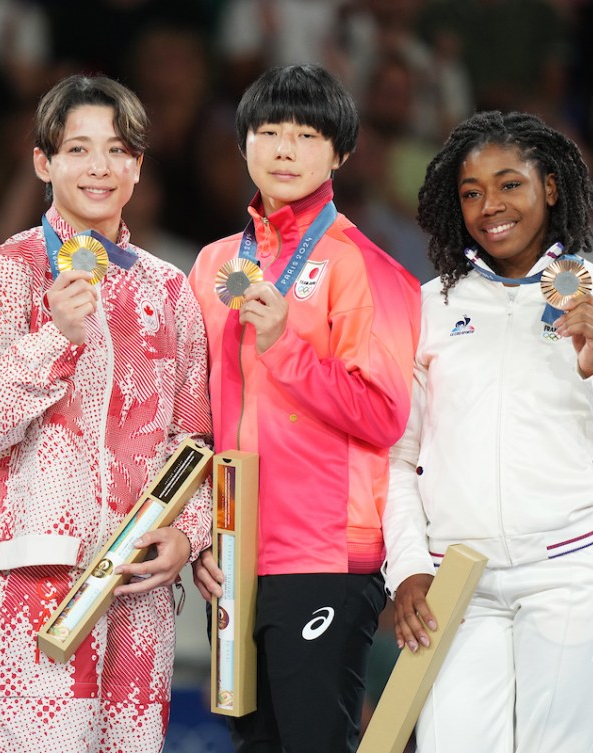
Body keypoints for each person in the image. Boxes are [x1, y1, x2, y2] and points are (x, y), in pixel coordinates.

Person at [383, 110, 593, 752]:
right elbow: (399, 457)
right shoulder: (429, 307)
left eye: (509, 183)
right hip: (454, 579)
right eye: (471, 192)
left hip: (571, 571)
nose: (490, 205)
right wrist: (405, 568)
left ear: (549, 187)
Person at [0, 74, 213, 753]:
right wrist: (56, 334)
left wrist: (189, 537)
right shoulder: (2, 274)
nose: (99, 167)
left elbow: (195, 438)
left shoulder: (170, 290)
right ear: (42, 161)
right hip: (38, 573)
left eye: (117, 150)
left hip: (140, 583)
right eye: (78, 149)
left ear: (138, 166)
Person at [188, 63, 422, 753]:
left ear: (340, 153)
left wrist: (281, 342)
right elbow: (196, 415)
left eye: (306, 133)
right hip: (232, 553)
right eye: (267, 130)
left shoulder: (364, 267)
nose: (284, 148)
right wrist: (202, 529)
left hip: (322, 555)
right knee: (253, 742)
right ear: (243, 144)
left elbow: (383, 413)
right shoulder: (212, 266)